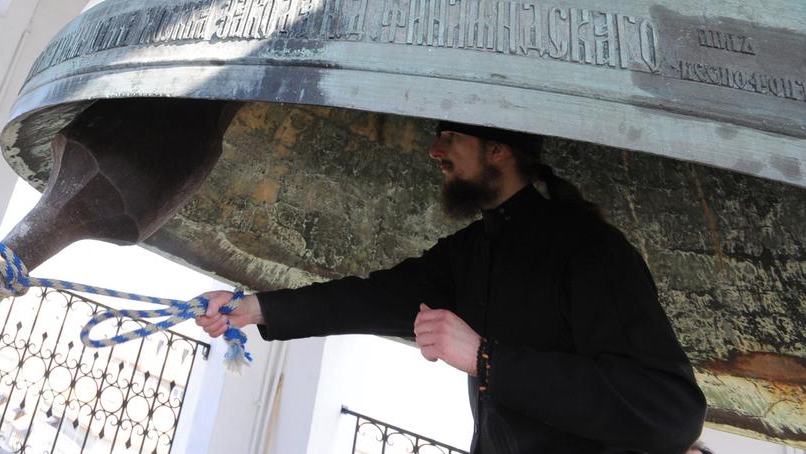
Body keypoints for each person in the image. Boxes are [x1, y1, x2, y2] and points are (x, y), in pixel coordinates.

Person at [196, 122, 706, 453]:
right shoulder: (474, 250)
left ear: (498, 150)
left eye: (449, 137)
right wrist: (254, 308)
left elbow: (670, 411)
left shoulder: (590, 251)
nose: (435, 152)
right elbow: (374, 298)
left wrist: (488, 360)